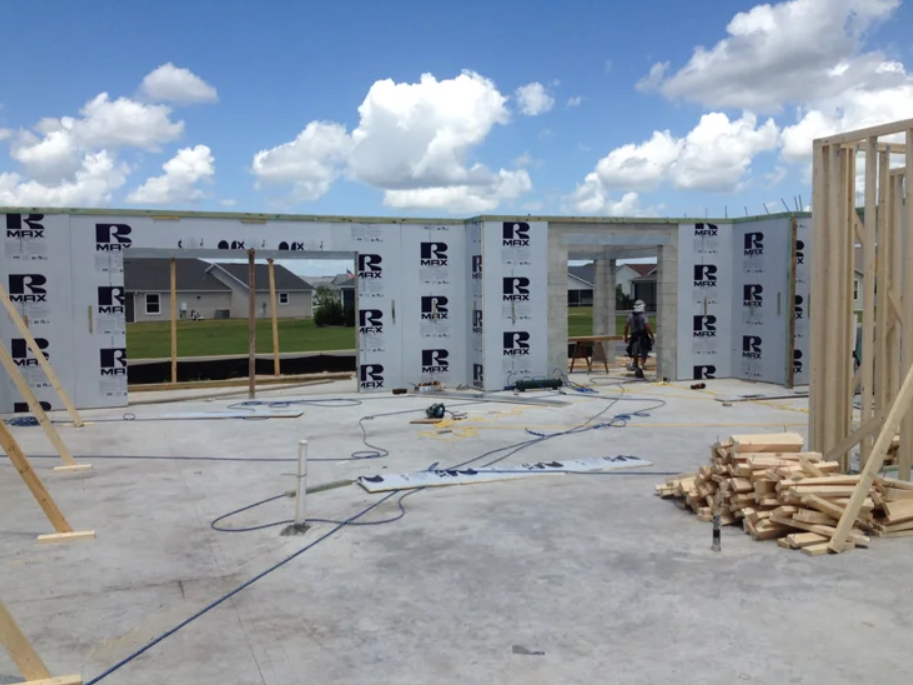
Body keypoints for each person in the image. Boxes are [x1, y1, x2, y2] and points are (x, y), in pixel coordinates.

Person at [623, 300, 654, 379]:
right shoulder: (643, 316)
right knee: (644, 352)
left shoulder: (630, 315)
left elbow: (626, 326)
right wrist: (652, 336)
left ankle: (636, 366)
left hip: (634, 337)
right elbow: (647, 326)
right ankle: (640, 366)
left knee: (635, 353)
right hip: (643, 337)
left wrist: (626, 337)